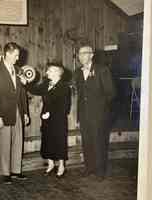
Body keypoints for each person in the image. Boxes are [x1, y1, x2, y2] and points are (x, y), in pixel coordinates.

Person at [0, 42, 29, 184]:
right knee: (5, 143)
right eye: (16, 55)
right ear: (8, 54)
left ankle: (16, 171)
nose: (18, 58)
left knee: (18, 141)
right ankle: (6, 173)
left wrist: (25, 112)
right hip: (4, 112)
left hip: (18, 111)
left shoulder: (19, 70)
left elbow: (22, 93)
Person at [74, 45, 116, 180]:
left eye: (83, 53)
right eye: (79, 54)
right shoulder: (77, 72)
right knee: (86, 142)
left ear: (91, 55)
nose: (80, 56)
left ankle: (100, 172)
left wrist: (101, 109)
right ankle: (89, 168)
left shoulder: (102, 70)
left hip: (99, 115)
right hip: (84, 115)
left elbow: (111, 93)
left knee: (99, 143)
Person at [26, 62, 71, 178]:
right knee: (47, 141)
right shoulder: (46, 83)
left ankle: (61, 166)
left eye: (49, 71)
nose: (46, 73)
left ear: (57, 73)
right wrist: (26, 82)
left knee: (60, 143)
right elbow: (35, 90)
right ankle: (50, 165)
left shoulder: (64, 87)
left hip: (58, 120)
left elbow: (65, 107)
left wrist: (50, 114)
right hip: (46, 119)